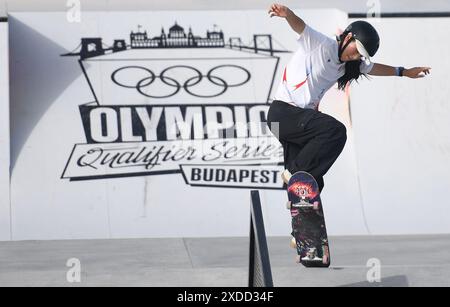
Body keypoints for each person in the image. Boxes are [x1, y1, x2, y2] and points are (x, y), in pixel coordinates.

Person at [266, 3, 431, 192]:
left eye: (361, 56)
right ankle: (291, 176)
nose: (355, 57)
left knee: (312, 181)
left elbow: (374, 68)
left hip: (294, 126)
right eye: (356, 51)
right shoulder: (321, 44)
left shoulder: (349, 65)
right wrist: (288, 14)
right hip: (282, 115)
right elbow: (300, 26)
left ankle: (303, 209)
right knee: (334, 131)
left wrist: (404, 72)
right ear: (348, 37)